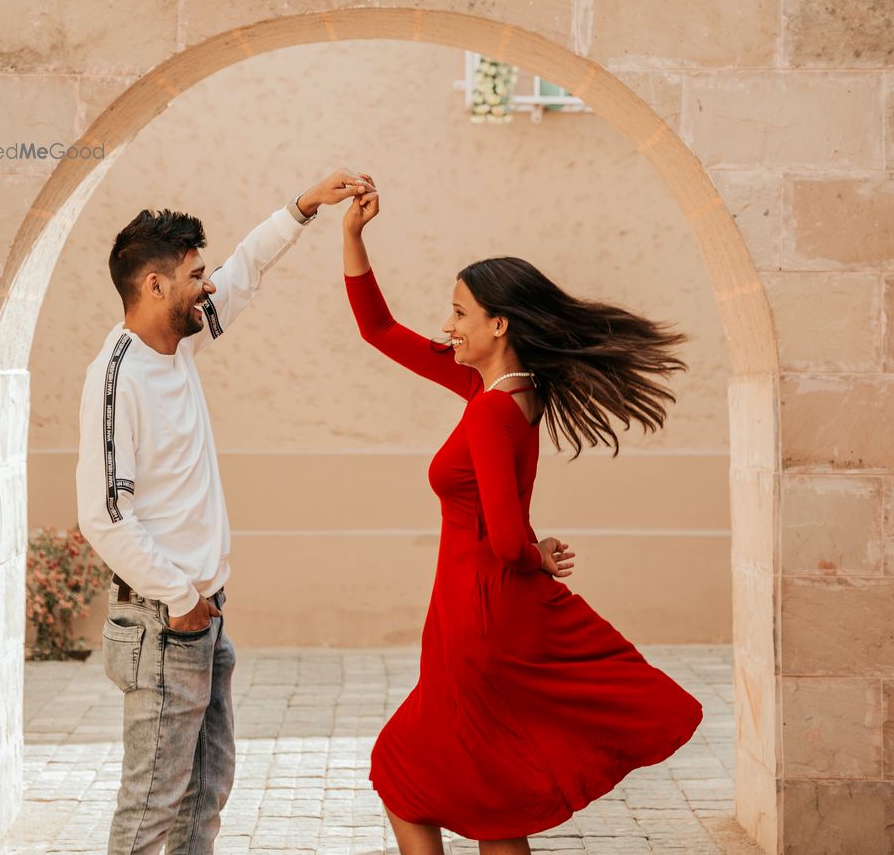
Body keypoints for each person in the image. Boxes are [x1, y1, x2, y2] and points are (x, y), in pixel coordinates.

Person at [342, 181, 704, 855]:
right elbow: (379, 331)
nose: (448, 327)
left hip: (475, 617)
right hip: (479, 613)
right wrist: (353, 238)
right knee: (493, 800)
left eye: (458, 313)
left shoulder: (486, 407)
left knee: (401, 773)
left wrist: (535, 555)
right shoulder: (507, 390)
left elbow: (507, 543)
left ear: (498, 324)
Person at [77, 170, 375, 855]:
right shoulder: (117, 375)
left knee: (204, 795)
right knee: (152, 808)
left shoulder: (178, 344)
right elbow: (103, 514)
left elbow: (244, 272)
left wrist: (303, 207)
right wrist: (179, 597)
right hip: (164, 623)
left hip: (202, 617)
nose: (207, 284)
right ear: (154, 286)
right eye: (193, 275)